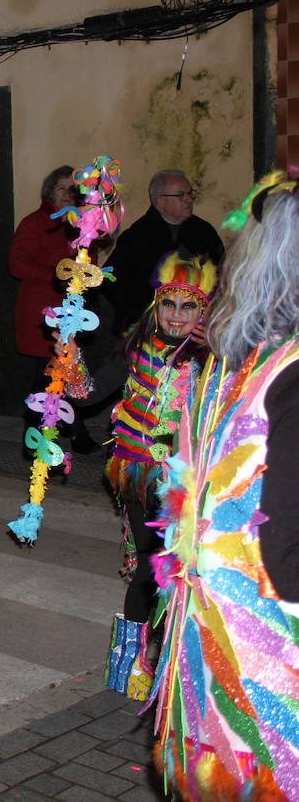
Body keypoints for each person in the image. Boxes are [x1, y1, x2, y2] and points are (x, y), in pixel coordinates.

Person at [152, 172, 299, 800]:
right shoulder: (281, 372)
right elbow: (285, 544)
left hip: (220, 628)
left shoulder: (244, 361)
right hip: (266, 646)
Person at [101, 252, 214, 701]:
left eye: (189, 307)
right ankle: (130, 664)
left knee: (182, 569)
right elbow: (92, 391)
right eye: (169, 304)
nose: (177, 315)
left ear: (203, 314)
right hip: (137, 472)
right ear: (156, 306)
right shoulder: (135, 349)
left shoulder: (213, 360)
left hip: (185, 480)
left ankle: (174, 658)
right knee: (151, 564)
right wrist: (69, 372)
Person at [9, 166, 98, 452]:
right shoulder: (35, 223)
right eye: (61, 187)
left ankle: (63, 432)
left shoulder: (82, 224)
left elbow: (90, 261)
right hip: (42, 314)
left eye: (73, 189)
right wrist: (57, 276)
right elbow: (17, 264)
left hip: (72, 312)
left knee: (67, 369)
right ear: (50, 191)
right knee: (46, 372)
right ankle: (43, 433)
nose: (67, 194)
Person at [107, 170, 224, 335]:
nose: (189, 199)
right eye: (181, 195)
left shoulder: (204, 231)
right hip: (146, 327)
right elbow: (115, 284)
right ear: (160, 200)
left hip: (196, 325)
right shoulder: (136, 236)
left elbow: (222, 273)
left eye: (190, 193)